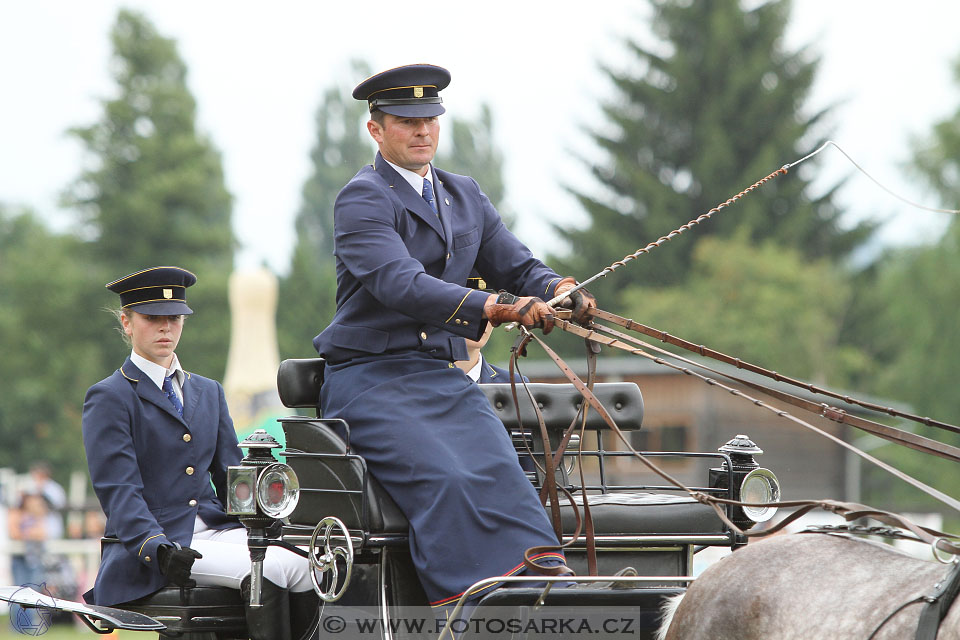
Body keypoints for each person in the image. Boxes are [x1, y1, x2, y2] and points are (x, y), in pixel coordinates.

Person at [312, 64, 596, 609]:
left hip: (439, 379)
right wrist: (495, 306)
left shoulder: (464, 194)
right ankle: (470, 606)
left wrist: (559, 288)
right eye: (406, 121)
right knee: (448, 479)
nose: (422, 131)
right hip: (370, 382)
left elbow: (515, 264)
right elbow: (401, 284)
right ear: (375, 130)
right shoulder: (363, 199)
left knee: (499, 470)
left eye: (431, 119)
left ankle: (541, 589)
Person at [81, 266, 317, 640]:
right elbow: (118, 491)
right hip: (157, 544)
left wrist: (276, 522)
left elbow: (232, 478)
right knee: (270, 570)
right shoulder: (110, 397)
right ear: (126, 322)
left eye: (174, 318)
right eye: (152, 318)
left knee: (310, 566)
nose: (165, 327)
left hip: (217, 529)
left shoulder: (208, 392)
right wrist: (155, 548)